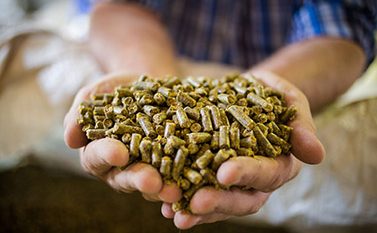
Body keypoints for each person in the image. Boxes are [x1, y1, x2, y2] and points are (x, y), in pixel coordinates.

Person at [64, 0, 376, 230]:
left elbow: (343, 23)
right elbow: (113, 7)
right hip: (148, 53)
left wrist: (264, 94)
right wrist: (149, 77)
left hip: (301, 76)